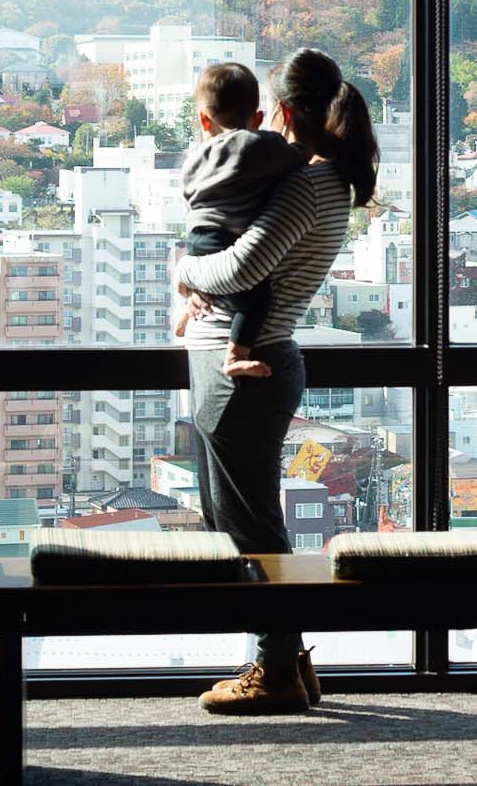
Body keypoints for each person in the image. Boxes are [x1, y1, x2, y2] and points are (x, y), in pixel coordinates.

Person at [173, 47, 378, 715]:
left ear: (283, 111)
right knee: (236, 522)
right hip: (243, 367)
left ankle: (278, 668)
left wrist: (182, 268)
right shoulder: (319, 179)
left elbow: (235, 270)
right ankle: (282, 657)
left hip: (247, 373)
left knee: (249, 527)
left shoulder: (306, 184)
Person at [172, 60, 303, 381]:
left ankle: (185, 318)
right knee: (256, 299)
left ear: (204, 120)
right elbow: (298, 158)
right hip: (229, 236)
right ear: (258, 118)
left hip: (198, 237)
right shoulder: (261, 144)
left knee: (215, 287)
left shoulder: (195, 158)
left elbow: (189, 195)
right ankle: (235, 355)